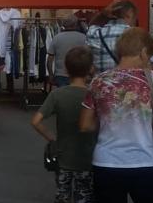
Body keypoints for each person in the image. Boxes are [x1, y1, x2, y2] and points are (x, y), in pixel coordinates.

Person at [80, 28, 153, 203]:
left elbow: (85, 125)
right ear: (144, 52)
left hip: (106, 163)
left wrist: (110, 121)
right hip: (146, 163)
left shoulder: (98, 80)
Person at [32, 46, 97, 203]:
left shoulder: (57, 95)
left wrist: (52, 139)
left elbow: (36, 121)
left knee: (63, 195)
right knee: (85, 195)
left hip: (63, 157)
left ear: (67, 70)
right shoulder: (94, 94)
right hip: (88, 158)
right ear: (90, 69)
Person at [86, 0, 137, 74]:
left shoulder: (95, 33)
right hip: (128, 84)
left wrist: (103, 14)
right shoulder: (137, 35)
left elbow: (91, 26)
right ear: (130, 13)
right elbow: (150, 63)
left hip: (101, 84)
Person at [47, 15, 86, 88]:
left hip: (60, 74)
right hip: (78, 74)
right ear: (75, 24)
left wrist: (51, 75)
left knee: (63, 97)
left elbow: (49, 59)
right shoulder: (83, 38)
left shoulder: (57, 38)